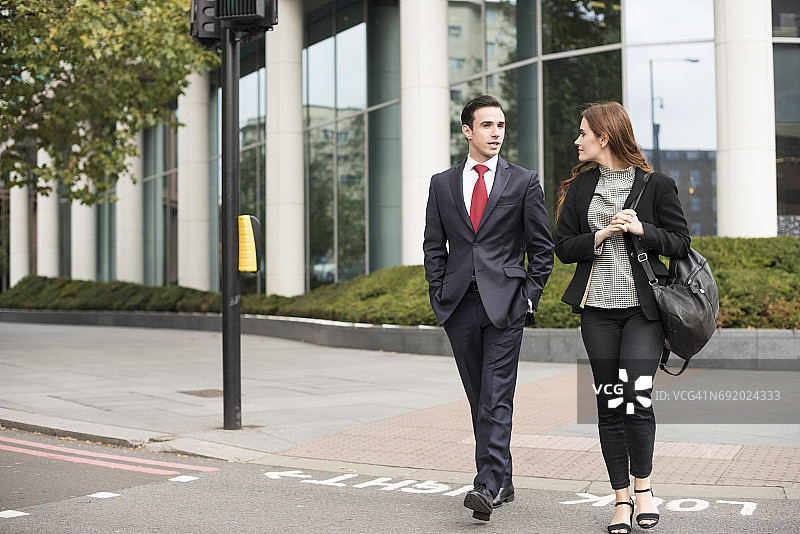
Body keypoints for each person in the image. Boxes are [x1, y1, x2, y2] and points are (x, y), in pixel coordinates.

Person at [554, 101, 690, 533]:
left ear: (604, 137)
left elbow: (680, 243)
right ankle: (620, 499)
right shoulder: (579, 189)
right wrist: (601, 234)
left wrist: (641, 231)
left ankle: (645, 488)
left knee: (637, 397)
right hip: (597, 312)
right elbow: (563, 248)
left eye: (583, 134)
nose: (577, 141)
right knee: (609, 403)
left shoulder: (657, 185)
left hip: (643, 312)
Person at [423, 94, 554, 521]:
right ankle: (504, 476)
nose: (496, 133)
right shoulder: (442, 183)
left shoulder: (523, 181)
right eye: (487, 125)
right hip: (459, 305)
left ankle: (487, 485)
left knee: (496, 396)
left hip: (506, 306)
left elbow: (541, 248)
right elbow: (433, 246)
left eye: (500, 125)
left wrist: (528, 297)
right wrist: (438, 294)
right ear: (467, 130)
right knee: (479, 395)